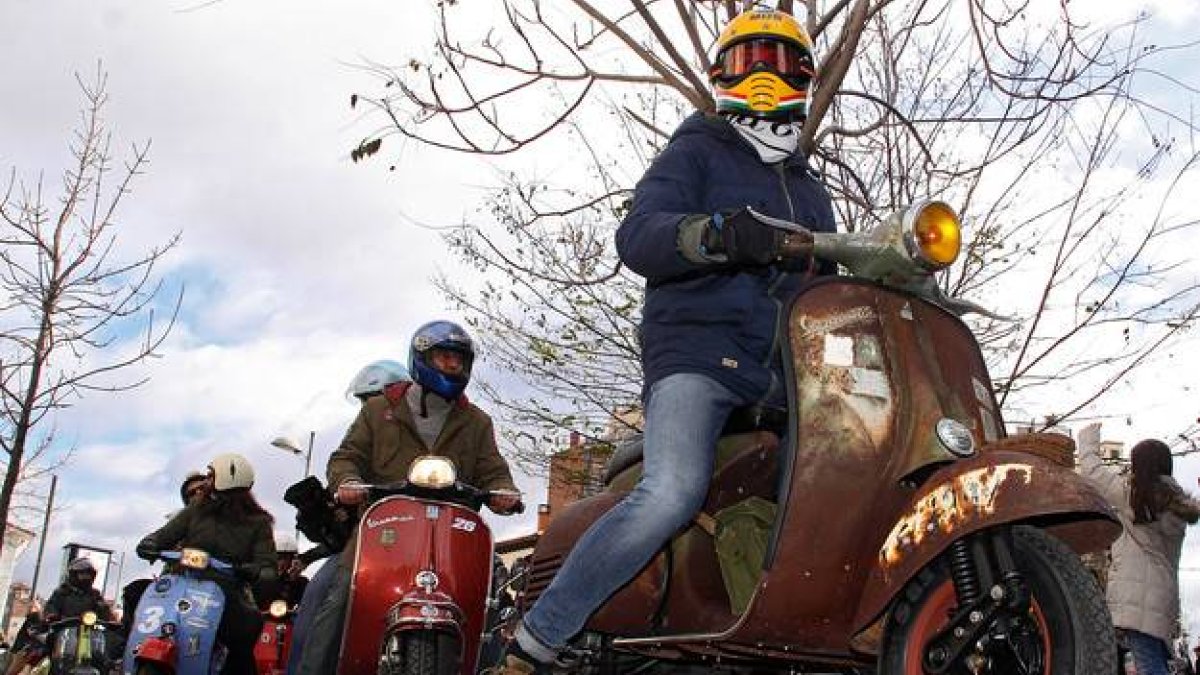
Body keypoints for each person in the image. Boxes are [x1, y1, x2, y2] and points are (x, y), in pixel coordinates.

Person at [496, 8, 836, 672]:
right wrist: (715, 234)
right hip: (700, 356)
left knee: (845, 484)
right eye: (746, 61)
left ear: (805, 77)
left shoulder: (812, 189)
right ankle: (538, 637)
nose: (763, 75)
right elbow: (639, 235)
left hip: (789, 377)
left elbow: (830, 282)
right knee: (673, 489)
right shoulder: (698, 148)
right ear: (720, 75)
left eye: (778, 59)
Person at [296, 321, 521, 675]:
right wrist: (348, 480)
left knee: (491, 604)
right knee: (336, 597)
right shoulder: (379, 410)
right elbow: (346, 456)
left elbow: (493, 469)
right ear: (421, 358)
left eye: (459, 360)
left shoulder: (477, 421)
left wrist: (504, 491)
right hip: (383, 532)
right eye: (444, 357)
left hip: (452, 537)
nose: (452, 366)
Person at [285, 357, 411, 675]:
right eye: (365, 401)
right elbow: (343, 464)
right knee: (318, 596)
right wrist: (335, 500)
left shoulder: (429, 431)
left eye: (374, 398)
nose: (370, 407)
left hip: (422, 542)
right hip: (365, 547)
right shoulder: (362, 438)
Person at [135, 453, 277, 675]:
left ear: (225, 479)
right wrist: (150, 543)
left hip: (227, 589)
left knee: (245, 631)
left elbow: (268, 565)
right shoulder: (197, 509)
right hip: (183, 581)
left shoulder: (259, 522)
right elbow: (165, 534)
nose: (206, 482)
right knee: (137, 595)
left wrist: (258, 572)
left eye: (211, 476)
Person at [1079, 422, 1200, 675]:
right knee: (1151, 660)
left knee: (1148, 665)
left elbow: (1093, 472)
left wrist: (1088, 436)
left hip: (1137, 596)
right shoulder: (1176, 506)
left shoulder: (1132, 498)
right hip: (1162, 596)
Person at [258, 533, 308, 610]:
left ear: (292, 560)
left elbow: (307, 607)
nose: (281, 563)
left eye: (285, 558)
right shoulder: (255, 580)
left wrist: (293, 581)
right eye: (277, 558)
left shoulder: (301, 582)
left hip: (287, 620)